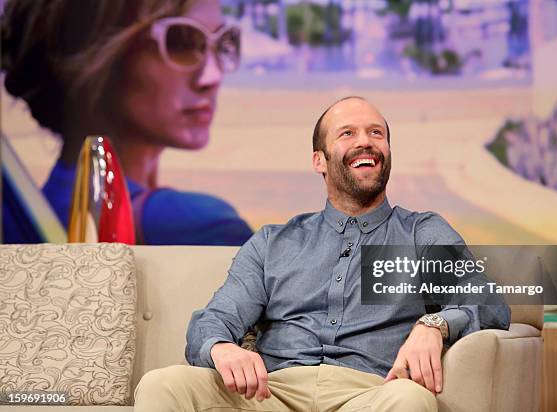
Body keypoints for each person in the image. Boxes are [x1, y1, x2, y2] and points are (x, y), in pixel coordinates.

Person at [134, 97, 511, 411]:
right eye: (348, 133)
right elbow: (214, 319)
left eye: (376, 133)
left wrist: (434, 325)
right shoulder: (273, 242)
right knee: (163, 385)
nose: (366, 142)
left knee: (410, 400)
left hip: (371, 393)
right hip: (272, 394)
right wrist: (221, 349)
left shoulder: (419, 232)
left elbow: (488, 302)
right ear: (320, 161)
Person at [1, 0, 253, 245]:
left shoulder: (23, 215)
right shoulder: (199, 227)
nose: (213, 76)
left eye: (224, 42)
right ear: (95, 53)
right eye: (181, 42)